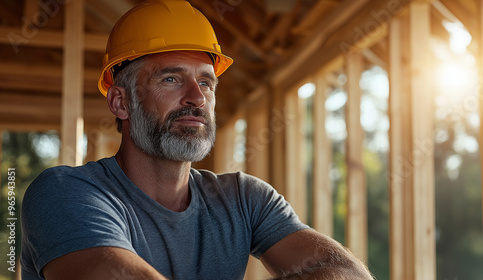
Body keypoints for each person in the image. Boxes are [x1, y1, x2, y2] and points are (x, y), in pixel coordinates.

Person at [21, 0, 374, 279]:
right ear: (121, 102)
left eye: (206, 82)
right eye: (171, 79)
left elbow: (348, 275)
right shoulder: (66, 194)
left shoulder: (245, 199)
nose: (197, 97)